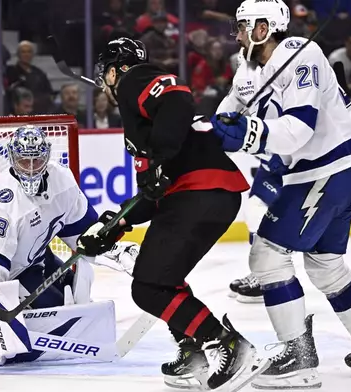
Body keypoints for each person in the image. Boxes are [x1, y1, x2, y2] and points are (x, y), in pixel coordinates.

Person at [209, 0, 351, 388]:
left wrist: (249, 134)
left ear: (266, 27)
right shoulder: (248, 71)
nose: (238, 34)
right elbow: (225, 121)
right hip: (333, 167)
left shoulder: (300, 52)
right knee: (325, 264)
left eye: (245, 26)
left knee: (266, 253)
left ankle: (297, 355)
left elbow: (298, 128)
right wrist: (204, 129)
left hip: (330, 163)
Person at [75, 37, 268, 391]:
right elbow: (152, 195)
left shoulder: (136, 77)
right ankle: (191, 350)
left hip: (200, 193)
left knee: (148, 287)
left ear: (117, 70)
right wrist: (115, 225)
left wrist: (158, 160)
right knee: (162, 277)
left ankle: (227, 344)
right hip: (206, 195)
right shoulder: (143, 121)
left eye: (106, 75)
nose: (104, 84)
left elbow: (178, 96)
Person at [0, 125, 138, 366]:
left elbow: (84, 235)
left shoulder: (62, 179)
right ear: (13, 158)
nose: (32, 168)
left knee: (70, 302)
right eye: (25, 161)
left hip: (35, 259)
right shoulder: (2, 203)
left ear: (47, 156)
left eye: (38, 160)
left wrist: (116, 251)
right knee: (49, 317)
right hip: (8, 274)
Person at [229, 158, 283, 304]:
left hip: (291, 169)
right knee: (254, 209)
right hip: (269, 167)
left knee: (268, 216)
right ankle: (262, 273)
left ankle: (270, 277)